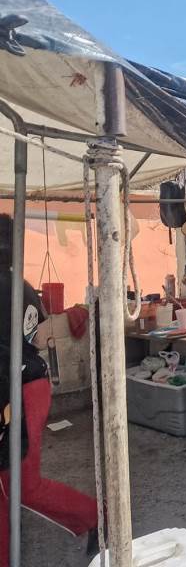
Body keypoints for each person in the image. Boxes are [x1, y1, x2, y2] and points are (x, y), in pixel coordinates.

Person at [0, 215, 98, 564]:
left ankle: (93, 517)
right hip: (33, 383)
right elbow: (42, 337)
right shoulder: (22, 284)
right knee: (6, 482)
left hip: (19, 391)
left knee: (21, 483)